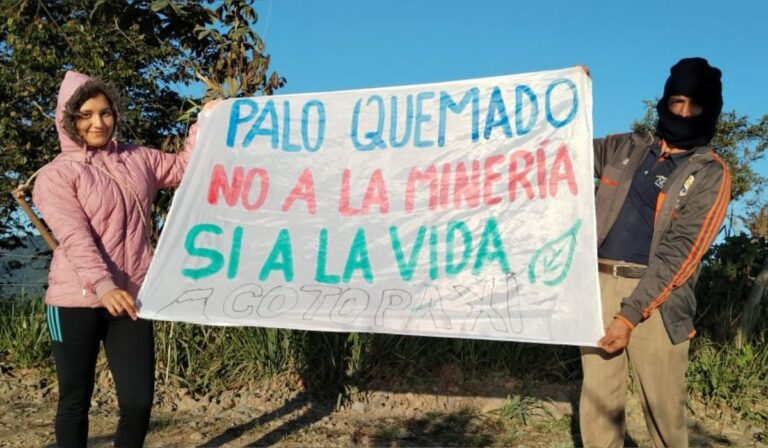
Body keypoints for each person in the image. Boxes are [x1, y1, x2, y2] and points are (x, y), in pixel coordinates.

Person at [32, 70, 218, 447]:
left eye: (105, 112)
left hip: (131, 297)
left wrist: (207, 121)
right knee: (74, 400)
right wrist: (104, 286)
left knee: (137, 403)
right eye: (85, 114)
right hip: (75, 300)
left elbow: (184, 167)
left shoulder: (138, 159)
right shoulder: (56, 175)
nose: (98, 122)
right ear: (68, 119)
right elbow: (75, 237)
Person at [580, 57, 731, 447]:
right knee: (599, 405)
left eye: (694, 105)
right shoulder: (625, 148)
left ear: (708, 111)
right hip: (596, 285)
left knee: (663, 412)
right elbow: (567, 149)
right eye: (677, 101)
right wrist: (572, 100)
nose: (682, 112)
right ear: (665, 101)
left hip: (659, 301)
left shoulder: (710, 173)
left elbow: (681, 254)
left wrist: (629, 317)